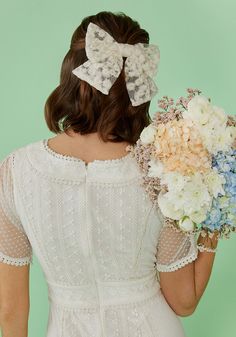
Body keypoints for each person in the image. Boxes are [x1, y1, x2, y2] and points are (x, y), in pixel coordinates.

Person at [0, 10, 219, 337]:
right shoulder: (162, 169)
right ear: (136, 86)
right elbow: (183, 301)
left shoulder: (17, 171)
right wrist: (214, 223)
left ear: (72, 73)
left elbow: (8, 311)